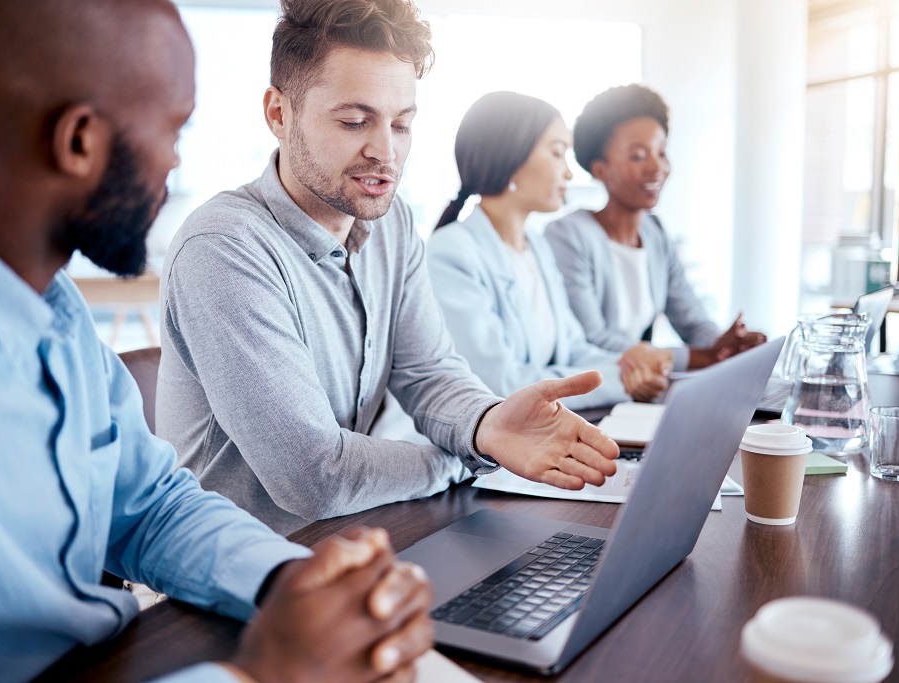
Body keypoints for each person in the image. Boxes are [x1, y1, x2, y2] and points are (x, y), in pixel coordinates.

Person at [0, 1, 434, 681]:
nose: (176, 162)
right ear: (79, 142)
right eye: (173, 129)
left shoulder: (50, 304)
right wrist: (267, 673)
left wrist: (295, 583)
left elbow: (148, 507)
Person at [157, 0, 620, 536]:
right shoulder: (225, 249)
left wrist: (489, 425)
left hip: (346, 540)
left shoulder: (391, 222)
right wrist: (466, 454)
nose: (386, 152)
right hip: (230, 576)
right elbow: (314, 476)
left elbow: (427, 372)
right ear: (278, 114)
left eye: (402, 125)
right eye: (355, 121)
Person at [428, 91, 672, 410]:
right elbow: (500, 384)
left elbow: (573, 349)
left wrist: (630, 366)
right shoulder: (451, 253)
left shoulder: (537, 247)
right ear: (511, 157)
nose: (569, 173)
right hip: (456, 454)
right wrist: (621, 381)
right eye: (558, 153)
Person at [545, 84, 766, 371]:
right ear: (600, 170)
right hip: (596, 389)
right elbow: (592, 339)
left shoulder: (654, 233)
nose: (656, 167)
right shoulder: (568, 235)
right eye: (638, 156)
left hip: (644, 386)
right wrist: (696, 358)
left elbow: (692, 321)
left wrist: (724, 346)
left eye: (661, 152)